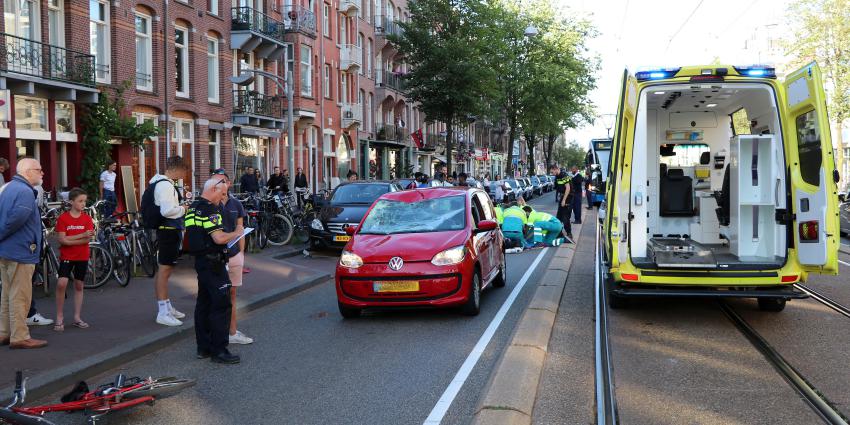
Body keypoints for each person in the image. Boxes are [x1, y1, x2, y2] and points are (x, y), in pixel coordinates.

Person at [185, 175, 244, 364]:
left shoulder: (193, 207)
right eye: (222, 193)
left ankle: (203, 347)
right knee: (222, 304)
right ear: (212, 190)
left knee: (203, 303)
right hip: (214, 263)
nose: (223, 198)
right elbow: (218, 238)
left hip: (201, 262)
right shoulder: (211, 210)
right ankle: (219, 350)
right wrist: (237, 233)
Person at [0, 158, 48, 349]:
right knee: (20, 295)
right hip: (20, 251)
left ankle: (4, 333)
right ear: (28, 172)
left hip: (7, 251)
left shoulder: (9, 188)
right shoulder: (25, 192)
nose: (42, 173)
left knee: (7, 294)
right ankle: (20, 336)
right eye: (39, 169)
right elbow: (15, 220)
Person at [151, 156, 189, 327]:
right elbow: (167, 211)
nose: (183, 175)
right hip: (168, 231)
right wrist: (184, 208)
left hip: (168, 231)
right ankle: (163, 312)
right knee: (164, 271)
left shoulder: (162, 183)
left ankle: (166, 305)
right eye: (183, 171)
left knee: (164, 271)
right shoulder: (166, 186)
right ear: (175, 168)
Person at [216, 172, 253, 345]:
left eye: (222, 181)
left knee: (232, 294)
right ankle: (216, 331)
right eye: (216, 180)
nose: (219, 184)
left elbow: (240, 229)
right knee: (215, 295)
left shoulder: (236, 204)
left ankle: (232, 332)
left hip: (233, 256)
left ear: (229, 183)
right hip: (215, 256)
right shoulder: (210, 204)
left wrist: (241, 253)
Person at [53, 188, 94, 332]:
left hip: (82, 256)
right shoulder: (63, 218)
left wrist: (70, 239)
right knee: (61, 283)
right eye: (80, 201)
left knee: (79, 285)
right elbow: (62, 240)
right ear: (71, 202)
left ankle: (77, 317)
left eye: (84, 201)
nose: (83, 204)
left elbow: (87, 239)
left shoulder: (87, 218)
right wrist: (80, 236)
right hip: (67, 256)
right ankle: (59, 316)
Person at [556, 171, 573, 241]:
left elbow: (568, 188)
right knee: (559, 217)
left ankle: (569, 233)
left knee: (565, 217)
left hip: (568, 198)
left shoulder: (564, 175)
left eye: (552, 172)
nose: (552, 173)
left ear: (555, 169)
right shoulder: (558, 176)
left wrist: (564, 200)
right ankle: (559, 233)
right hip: (563, 197)